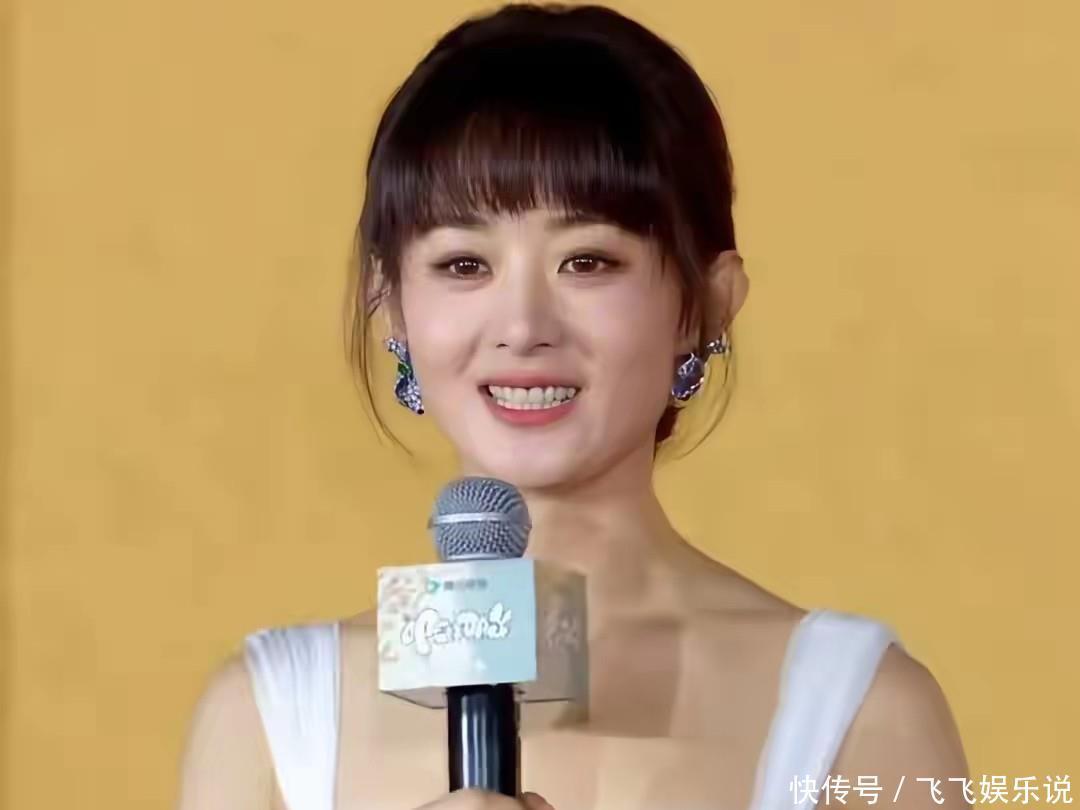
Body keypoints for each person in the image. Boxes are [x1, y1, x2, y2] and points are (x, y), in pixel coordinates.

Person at [177, 4, 969, 809]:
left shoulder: (862, 713)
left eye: (587, 261)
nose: (523, 327)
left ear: (705, 305)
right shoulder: (269, 719)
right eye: (463, 264)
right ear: (393, 307)